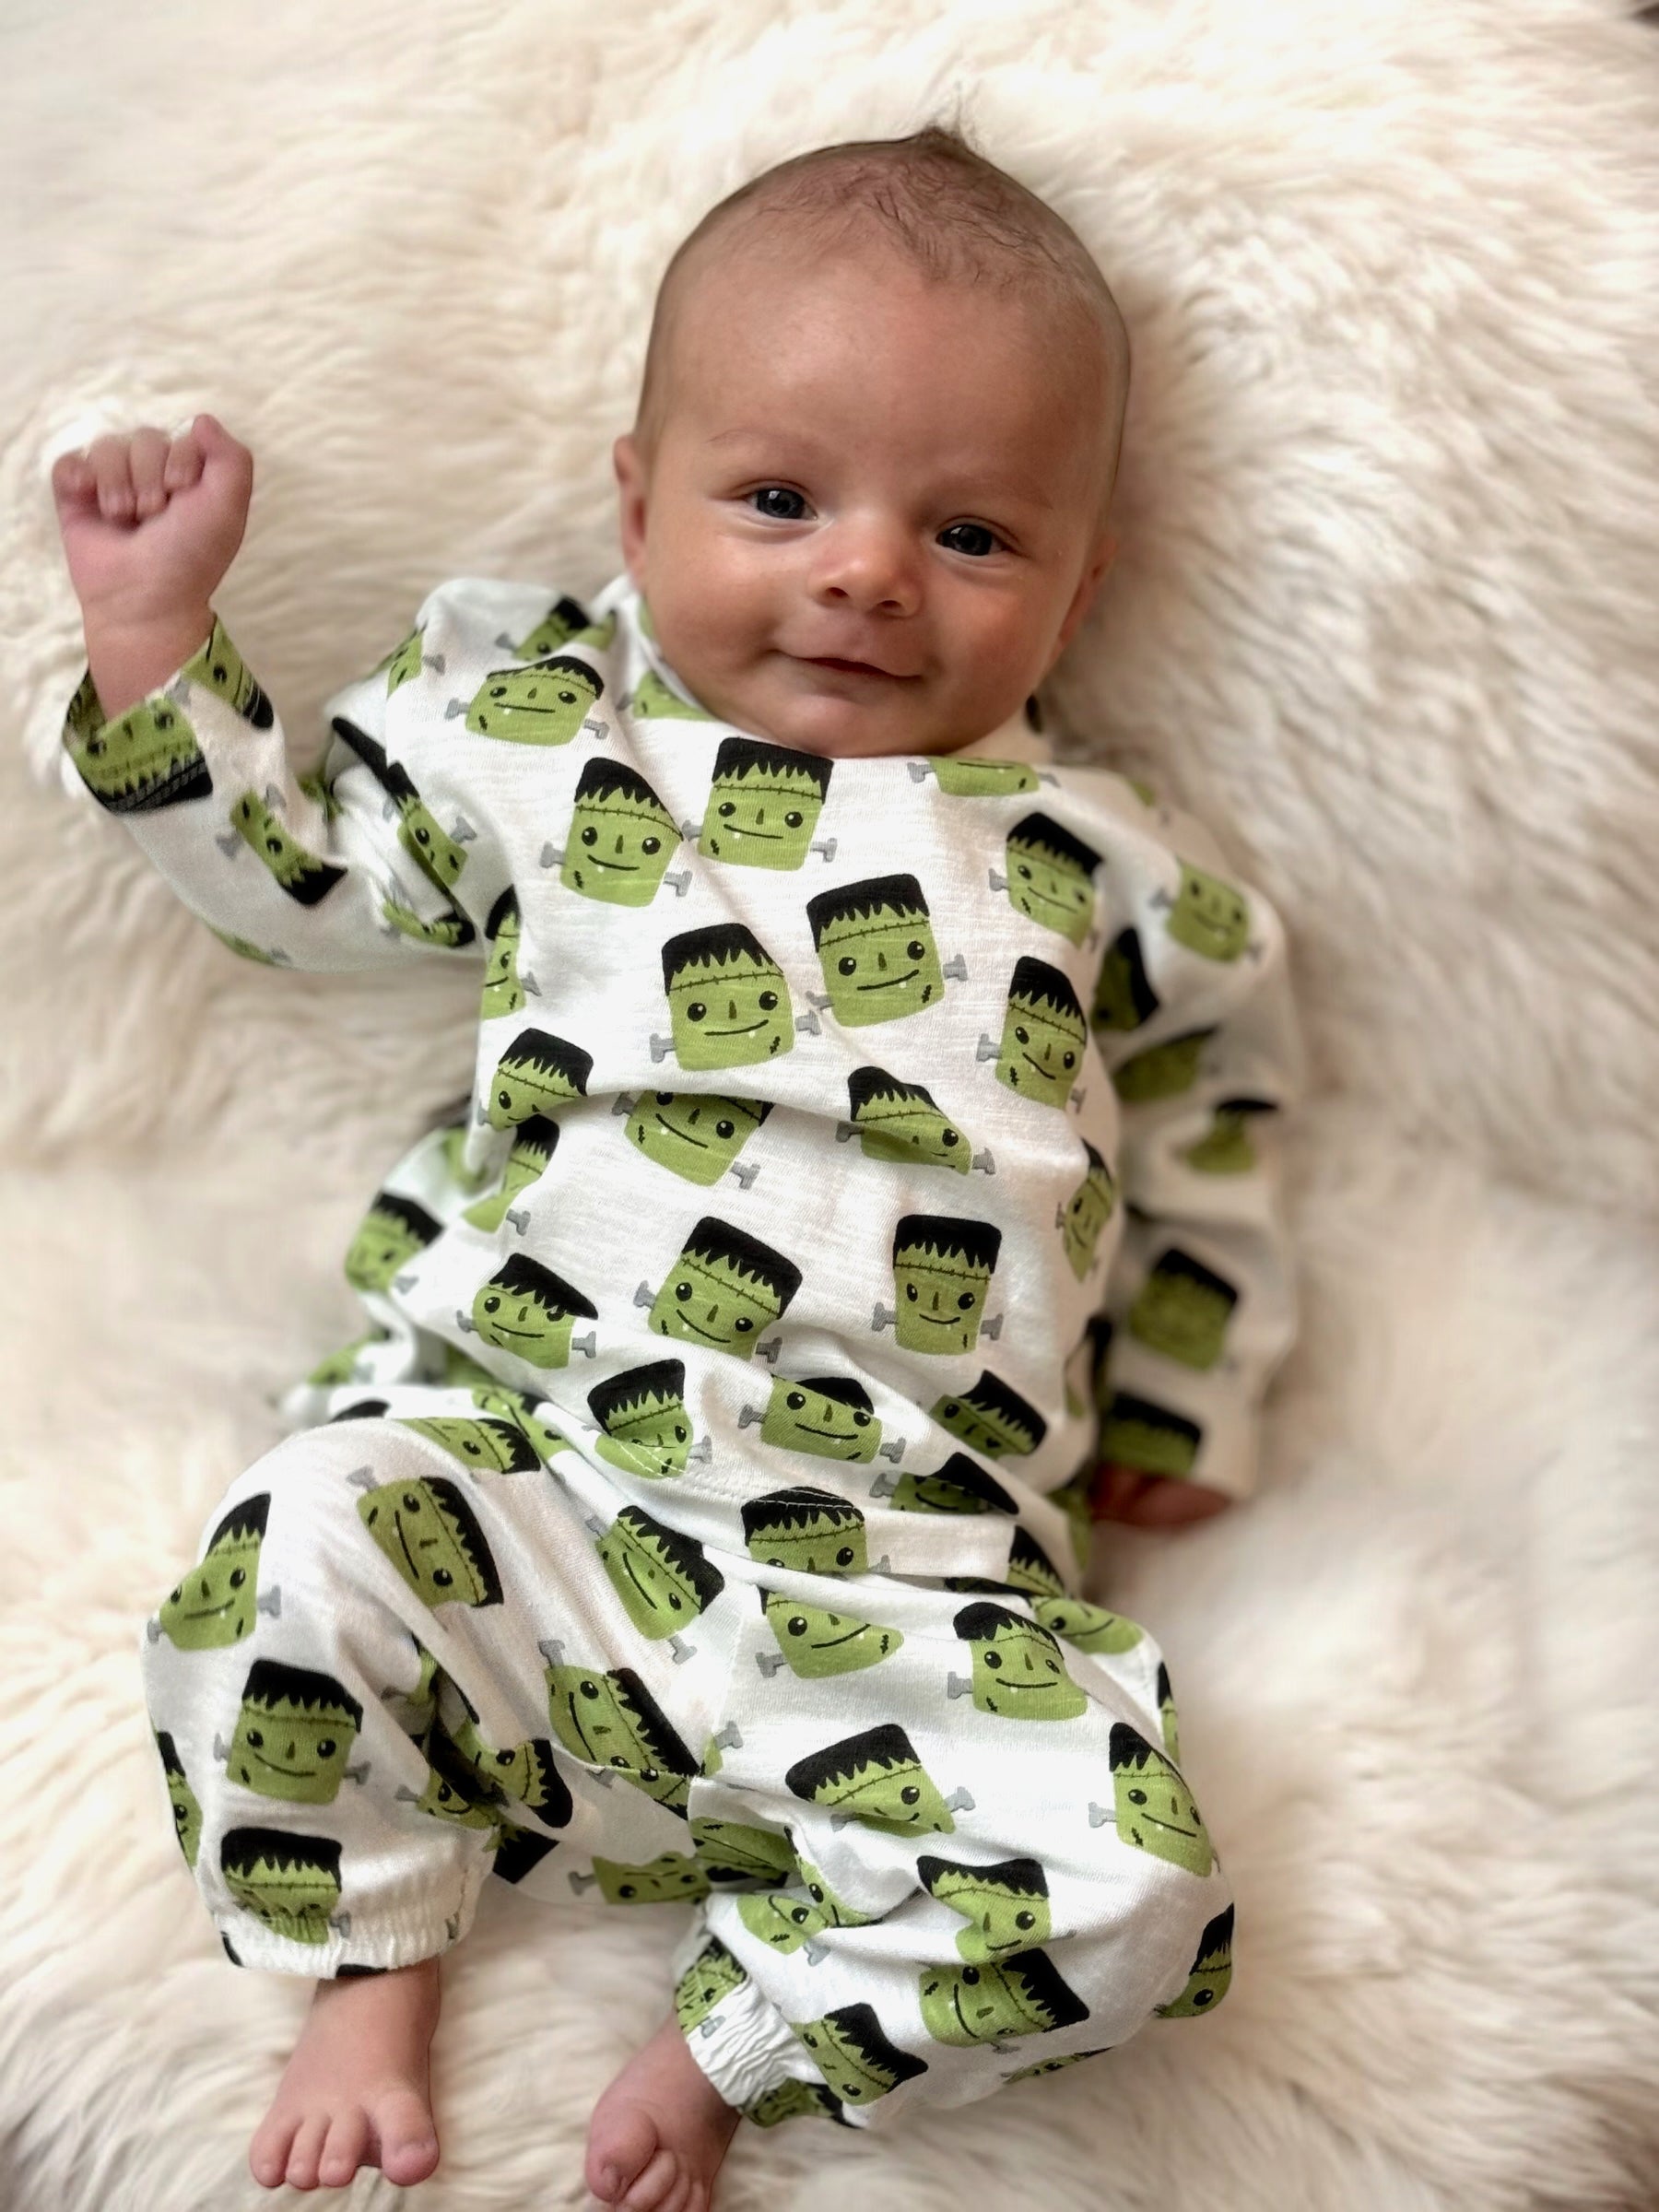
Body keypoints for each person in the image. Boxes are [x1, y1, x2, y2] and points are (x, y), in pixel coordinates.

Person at [51, 122, 1300, 2212]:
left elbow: (1222, 1114)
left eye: (973, 533)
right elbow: (309, 871)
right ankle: (372, 1951)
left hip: (896, 1593)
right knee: (289, 1546)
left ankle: (742, 2040)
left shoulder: (1110, 866)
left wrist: (1190, 1377)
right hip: (533, 1495)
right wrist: (157, 648)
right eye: (782, 498)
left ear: (1081, 586)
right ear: (640, 509)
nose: (868, 571)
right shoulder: (552, 734)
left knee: (1141, 1874)